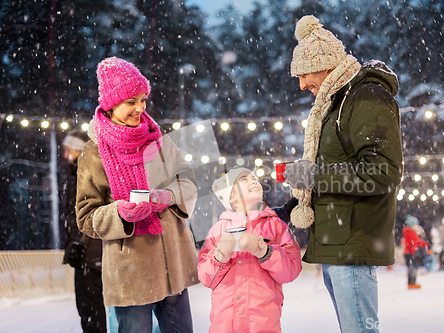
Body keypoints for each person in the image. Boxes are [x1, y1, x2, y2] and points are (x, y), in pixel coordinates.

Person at [282, 15, 403, 332]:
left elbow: (382, 172)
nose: (302, 84)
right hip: (336, 241)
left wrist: (312, 176)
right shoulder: (336, 104)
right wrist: (290, 205)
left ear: (325, 64)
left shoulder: (365, 97)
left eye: (305, 74)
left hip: (352, 242)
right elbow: (334, 170)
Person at [76, 57, 199, 333]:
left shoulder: (157, 139)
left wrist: (167, 196)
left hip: (173, 265)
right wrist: (119, 212)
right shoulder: (92, 153)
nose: (140, 108)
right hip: (132, 272)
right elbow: (86, 217)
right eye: (131, 102)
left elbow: (189, 182)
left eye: (142, 100)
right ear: (111, 104)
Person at [197, 167, 302, 333]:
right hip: (224, 327)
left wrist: (264, 252)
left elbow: (291, 270)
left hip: (263, 326)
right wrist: (218, 257)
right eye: (244, 179)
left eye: (255, 179)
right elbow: (206, 278)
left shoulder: (276, 226)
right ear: (231, 197)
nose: (253, 181)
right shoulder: (217, 230)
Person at [62, 129, 107, 333]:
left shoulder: (84, 174)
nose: (65, 155)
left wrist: (79, 243)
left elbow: (86, 214)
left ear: (80, 151)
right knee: (92, 310)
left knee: (90, 309)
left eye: (68, 150)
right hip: (92, 253)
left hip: (90, 255)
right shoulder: (82, 172)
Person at [402, 215, 429, 289]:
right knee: (412, 268)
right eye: (415, 225)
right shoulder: (410, 232)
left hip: (410, 253)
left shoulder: (411, 232)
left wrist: (424, 244)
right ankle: (411, 283)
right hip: (410, 253)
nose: (417, 226)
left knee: (413, 268)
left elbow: (416, 241)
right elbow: (413, 242)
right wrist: (416, 248)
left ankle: (412, 282)